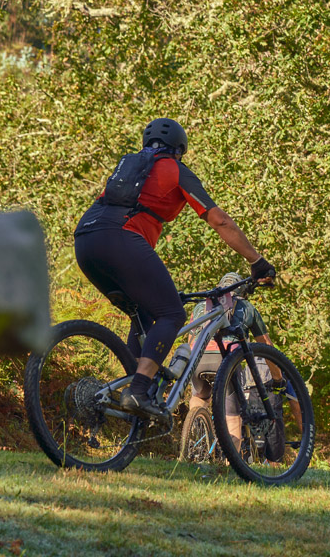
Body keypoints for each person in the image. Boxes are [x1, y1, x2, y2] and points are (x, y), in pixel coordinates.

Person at [73, 118, 275, 419]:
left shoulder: (129, 168)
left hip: (85, 241)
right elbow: (220, 220)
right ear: (179, 149)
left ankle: (133, 394)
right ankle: (138, 390)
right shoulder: (175, 169)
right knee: (172, 314)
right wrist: (256, 262)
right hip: (121, 239)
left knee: (145, 315)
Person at [186, 272, 298, 461]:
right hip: (226, 359)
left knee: (199, 397)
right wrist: (277, 377)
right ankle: (231, 464)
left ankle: (193, 432)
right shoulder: (247, 308)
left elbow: (191, 339)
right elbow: (266, 346)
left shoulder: (200, 306)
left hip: (198, 357)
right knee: (232, 415)